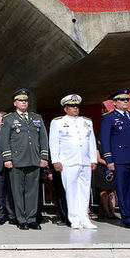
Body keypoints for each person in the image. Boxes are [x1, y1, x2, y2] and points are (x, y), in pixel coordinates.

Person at [100, 89, 130, 229]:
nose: (126, 101)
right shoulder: (109, 118)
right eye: (122, 100)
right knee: (123, 189)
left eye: (127, 99)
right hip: (121, 159)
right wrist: (109, 160)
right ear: (115, 103)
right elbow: (105, 140)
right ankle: (127, 217)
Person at [0, 88, 49, 230]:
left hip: (34, 159)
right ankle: (21, 219)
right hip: (17, 160)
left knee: (32, 191)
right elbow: (4, 141)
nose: (24, 103)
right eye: (21, 101)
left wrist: (44, 156)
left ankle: (32, 218)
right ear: (15, 103)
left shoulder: (36, 118)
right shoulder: (8, 119)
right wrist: (7, 158)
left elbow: (43, 138)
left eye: (26, 101)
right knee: (17, 191)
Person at [49, 94, 98, 230]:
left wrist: (93, 159)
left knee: (84, 190)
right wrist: (56, 160)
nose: (75, 108)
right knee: (71, 191)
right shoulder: (58, 122)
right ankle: (74, 219)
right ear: (65, 108)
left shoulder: (87, 121)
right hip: (68, 161)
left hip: (85, 161)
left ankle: (84, 218)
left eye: (77, 106)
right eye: (72, 106)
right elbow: (54, 142)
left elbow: (91, 141)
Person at [0, 111, 16, 225]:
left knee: (11, 191)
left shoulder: (13, 131)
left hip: (11, 165)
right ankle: (0, 216)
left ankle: (12, 215)